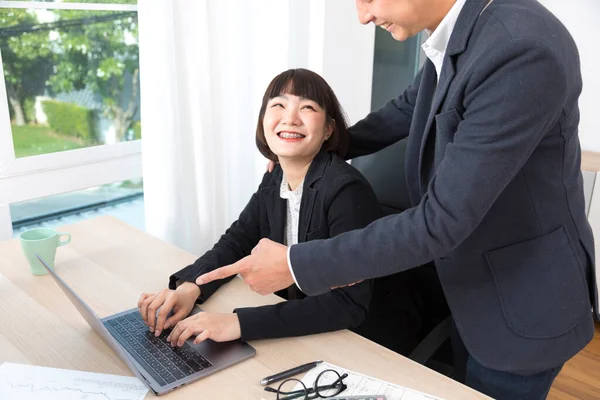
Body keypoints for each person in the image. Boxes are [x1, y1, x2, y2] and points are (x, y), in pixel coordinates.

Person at [196, 0, 598, 398]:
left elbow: (440, 221)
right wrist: (310, 146)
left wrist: (295, 263)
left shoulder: (518, 49)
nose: (363, 15)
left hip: (520, 303)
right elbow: (404, 111)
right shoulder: (461, 35)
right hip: (468, 289)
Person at [137, 68, 383, 348]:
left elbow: (348, 305)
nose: (290, 118)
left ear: (328, 129)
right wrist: (190, 287)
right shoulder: (276, 175)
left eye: (307, 107)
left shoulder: (345, 190)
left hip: (356, 343)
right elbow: (238, 240)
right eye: (278, 105)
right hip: (304, 333)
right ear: (264, 121)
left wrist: (238, 323)